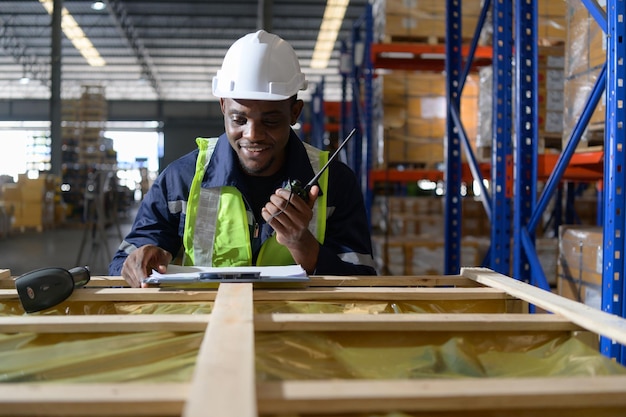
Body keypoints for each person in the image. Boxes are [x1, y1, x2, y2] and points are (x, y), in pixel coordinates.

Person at [109, 30, 377, 287]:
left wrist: (302, 244)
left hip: (298, 328)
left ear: (295, 112)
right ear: (223, 107)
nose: (253, 135)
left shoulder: (336, 183)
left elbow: (363, 281)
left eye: (270, 121)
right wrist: (141, 259)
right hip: (206, 329)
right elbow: (124, 262)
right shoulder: (181, 179)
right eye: (238, 119)